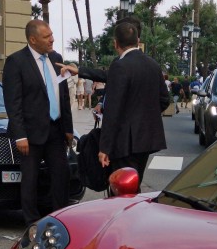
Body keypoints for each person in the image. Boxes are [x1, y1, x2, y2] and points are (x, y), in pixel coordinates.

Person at [64, 19, 170, 177]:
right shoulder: (153, 65)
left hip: (125, 141)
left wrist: (104, 148)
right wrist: (144, 115)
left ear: (115, 43)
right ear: (137, 41)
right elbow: (164, 100)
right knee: (134, 182)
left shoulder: (120, 66)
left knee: (121, 188)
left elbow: (113, 110)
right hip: (147, 138)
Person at [2, 19, 74, 224]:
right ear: (33, 40)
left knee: (61, 175)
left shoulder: (56, 58)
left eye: (51, 35)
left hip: (56, 129)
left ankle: (61, 219)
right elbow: (12, 101)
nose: (52, 39)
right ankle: (31, 222)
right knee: (30, 179)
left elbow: (64, 96)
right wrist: (20, 135)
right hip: (30, 133)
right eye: (46, 36)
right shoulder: (16, 61)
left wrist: (68, 128)